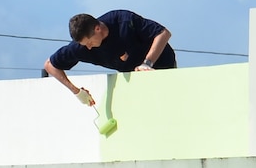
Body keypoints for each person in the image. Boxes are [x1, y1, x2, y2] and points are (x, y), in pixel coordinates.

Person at [43, 10, 175, 107]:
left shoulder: (124, 21)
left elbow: (163, 33)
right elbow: (50, 65)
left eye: (89, 42)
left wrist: (147, 63)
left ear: (97, 28)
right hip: (132, 76)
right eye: (84, 45)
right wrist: (76, 91)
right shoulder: (81, 48)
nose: (88, 48)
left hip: (161, 65)